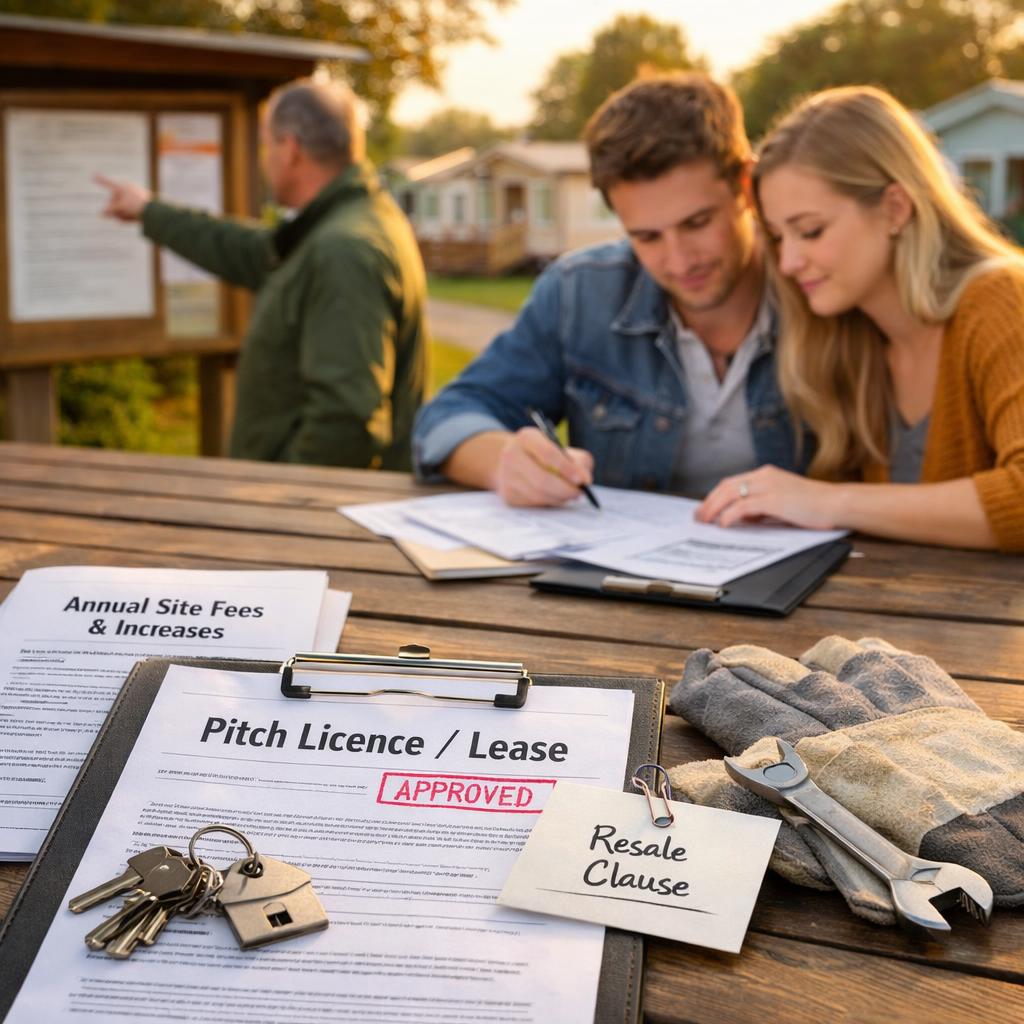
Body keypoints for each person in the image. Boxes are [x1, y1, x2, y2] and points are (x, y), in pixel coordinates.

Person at [413, 73, 808, 506]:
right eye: (647, 237)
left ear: (746, 187)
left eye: (697, 223)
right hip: (619, 568)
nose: (679, 261)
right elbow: (446, 418)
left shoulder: (817, 284)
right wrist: (503, 460)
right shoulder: (579, 293)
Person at [697, 86, 1024, 552]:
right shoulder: (850, 337)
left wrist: (830, 501)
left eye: (811, 231)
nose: (788, 262)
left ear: (895, 207)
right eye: (777, 236)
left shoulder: (1002, 298)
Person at [99, 78, 428, 469]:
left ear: (289, 149)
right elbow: (246, 249)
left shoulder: (344, 251)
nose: (264, 158)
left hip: (303, 514)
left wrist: (272, 493)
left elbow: (345, 422)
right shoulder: (342, 224)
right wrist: (149, 210)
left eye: (266, 144)